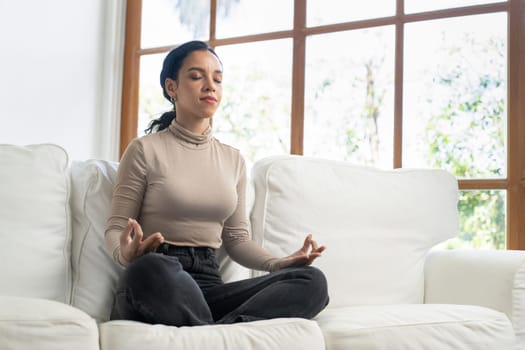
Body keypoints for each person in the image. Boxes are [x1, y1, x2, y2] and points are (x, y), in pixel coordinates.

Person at [104, 40, 329, 326]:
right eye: (196, 76)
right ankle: (218, 334)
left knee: (311, 281)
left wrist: (278, 263)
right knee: (150, 269)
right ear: (171, 88)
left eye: (217, 78)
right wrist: (125, 254)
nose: (210, 85)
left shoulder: (233, 160)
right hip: (160, 278)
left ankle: (214, 332)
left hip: (209, 287)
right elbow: (115, 227)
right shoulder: (144, 150)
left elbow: (236, 240)